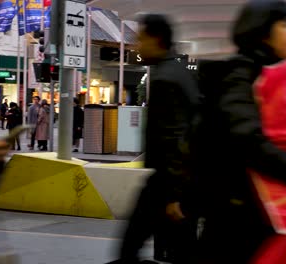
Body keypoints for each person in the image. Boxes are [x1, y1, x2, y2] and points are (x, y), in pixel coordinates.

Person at [194, 1, 286, 263]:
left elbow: (285, 140)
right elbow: (247, 140)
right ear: (264, 31)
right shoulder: (241, 76)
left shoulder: (271, 76)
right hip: (235, 215)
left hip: (258, 211)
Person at [109, 14, 200, 264]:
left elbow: (174, 137)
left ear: (156, 39)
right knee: (184, 251)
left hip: (167, 183)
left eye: (141, 39)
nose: (137, 47)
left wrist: (173, 195)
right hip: (177, 181)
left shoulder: (165, 78)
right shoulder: (177, 72)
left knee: (129, 248)